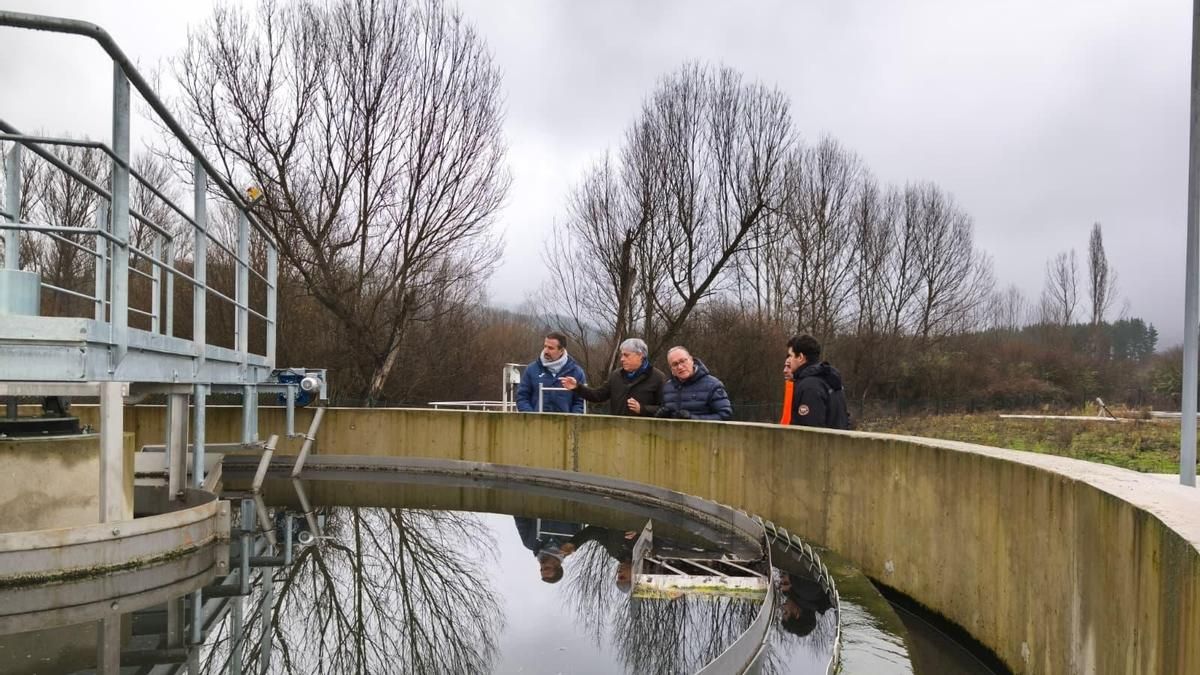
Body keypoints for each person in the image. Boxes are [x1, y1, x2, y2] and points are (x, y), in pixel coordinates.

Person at [559, 338, 665, 417]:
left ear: (640, 355)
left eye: (626, 355)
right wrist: (577, 387)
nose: (622, 359)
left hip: (645, 437)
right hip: (616, 433)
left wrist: (643, 409)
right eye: (621, 355)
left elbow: (664, 409)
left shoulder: (657, 377)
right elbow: (598, 396)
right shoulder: (616, 375)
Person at [784, 334, 850, 429]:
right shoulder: (830, 380)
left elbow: (809, 432)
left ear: (800, 357)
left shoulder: (809, 387)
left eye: (790, 356)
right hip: (838, 442)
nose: (788, 360)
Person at [516, 332, 586, 413]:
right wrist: (531, 418)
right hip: (536, 423)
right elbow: (522, 397)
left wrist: (572, 421)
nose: (546, 351)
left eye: (551, 348)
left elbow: (580, 402)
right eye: (545, 346)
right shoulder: (532, 369)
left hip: (565, 424)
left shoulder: (576, 372)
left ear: (561, 350)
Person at [657, 346, 733, 421]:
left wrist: (693, 419)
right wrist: (664, 417)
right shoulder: (667, 388)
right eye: (675, 364)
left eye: (683, 361)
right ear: (671, 369)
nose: (680, 367)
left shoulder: (713, 385)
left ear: (691, 360)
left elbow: (725, 415)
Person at [514, 516, 583, 584]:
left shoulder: (530, 543)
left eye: (541, 569)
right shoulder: (573, 541)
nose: (542, 565)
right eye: (547, 567)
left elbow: (519, 516)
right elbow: (581, 515)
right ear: (558, 565)